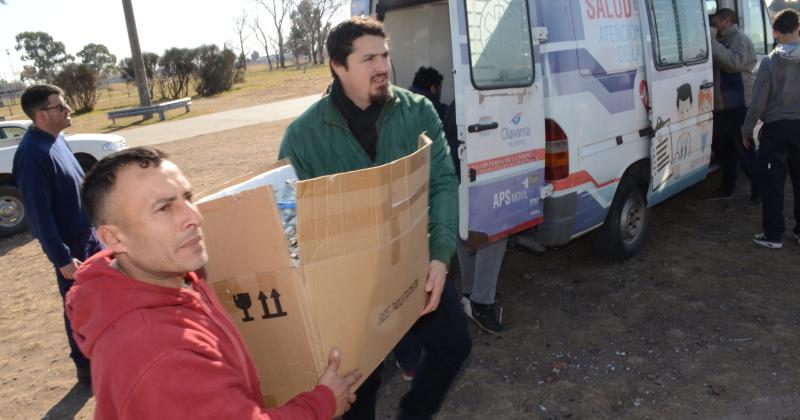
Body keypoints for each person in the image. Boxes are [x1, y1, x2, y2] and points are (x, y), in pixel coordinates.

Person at [66, 147, 361, 419]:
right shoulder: (159, 355)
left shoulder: (165, 271)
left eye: (187, 198)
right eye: (164, 208)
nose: (194, 217)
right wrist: (323, 401)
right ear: (114, 238)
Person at [278, 16, 471, 420]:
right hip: (349, 283)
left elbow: (441, 183)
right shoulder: (304, 136)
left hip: (413, 263)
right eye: (369, 59)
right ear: (338, 65)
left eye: (385, 55)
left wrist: (439, 255)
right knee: (357, 389)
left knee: (454, 345)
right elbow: (290, 224)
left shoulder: (418, 111)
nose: (383, 66)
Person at [11, 84, 102, 387]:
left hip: (89, 234)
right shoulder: (32, 154)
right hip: (71, 246)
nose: (68, 110)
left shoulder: (55, 140)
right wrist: (61, 257)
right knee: (78, 306)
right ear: (41, 115)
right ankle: (86, 367)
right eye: (61, 107)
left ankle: (103, 357)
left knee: (102, 300)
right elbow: (38, 214)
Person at [443, 102, 507, 334]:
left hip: (457, 177)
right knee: (496, 232)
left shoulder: (458, 100)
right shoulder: (484, 102)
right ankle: (480, 302)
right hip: (474, 176)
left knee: (465, 233)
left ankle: (471, 294)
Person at [741, 9, 800, 249]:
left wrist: (746, 130)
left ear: (774, 33)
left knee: (773, 182)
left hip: (775, 128)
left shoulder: (769, 61)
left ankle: (774, 234)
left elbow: (757, 102)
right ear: (799, 28)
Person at [707, 8, 760, 205]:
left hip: (738, 105)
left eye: (715, 22)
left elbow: (734, 64)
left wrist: (711, 43)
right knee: (723, 150)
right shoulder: (723, 40)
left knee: (743, 150)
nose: (712, 26)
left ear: (727, 21)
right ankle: (728, 187)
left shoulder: (739, 39)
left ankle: (759, 189)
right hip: (723, 106)